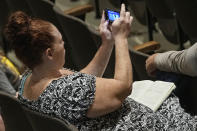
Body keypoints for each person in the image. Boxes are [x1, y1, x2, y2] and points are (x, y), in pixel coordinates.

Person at [4, 4, 197, 131]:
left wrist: (107, 44)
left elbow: (81, 83)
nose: (65, 44)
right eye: (61, 42)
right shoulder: (68, 91)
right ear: (49, 53)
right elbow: (123, 87)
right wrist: (121, 39)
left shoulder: (28, 80)